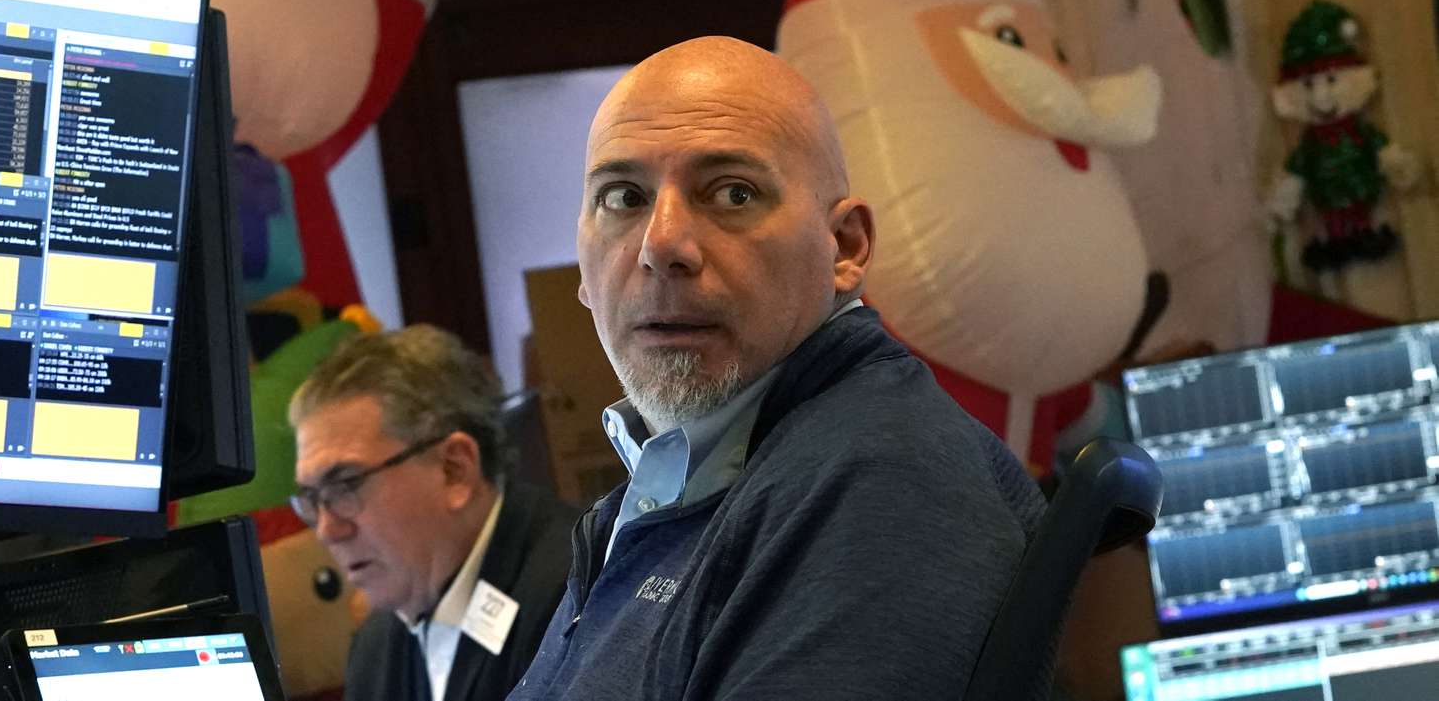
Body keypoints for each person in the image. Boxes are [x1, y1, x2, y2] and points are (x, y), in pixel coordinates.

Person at [507, 36, 1047, 700]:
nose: (662, 244)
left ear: (844, 247)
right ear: (583, 274)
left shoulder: (883, 480)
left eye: (732, 192)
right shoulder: (688, 477)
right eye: (623, 198)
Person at [289, 324, 575, 701]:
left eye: (345, 484)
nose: (327, 529)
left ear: (453, 469)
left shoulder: (578, 599)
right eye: (311, 496)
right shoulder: (375, 646)